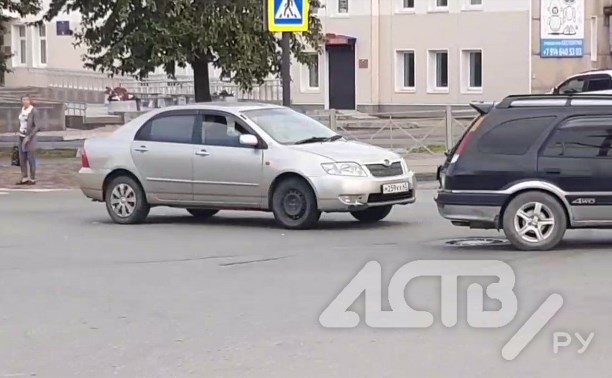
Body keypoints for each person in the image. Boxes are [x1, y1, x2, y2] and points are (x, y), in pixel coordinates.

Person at [16, 95, 41, 185]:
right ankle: (24, 177)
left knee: (31, 158)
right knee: (22, 158)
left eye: (27, 100)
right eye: (23, 100)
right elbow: (20, 122)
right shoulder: (22, 110)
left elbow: (37, 126)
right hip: (21, 135)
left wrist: (29, 136)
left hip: (30, 137)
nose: (25, 101)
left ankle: (32, 178)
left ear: (30, 101)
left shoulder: (33, 111)